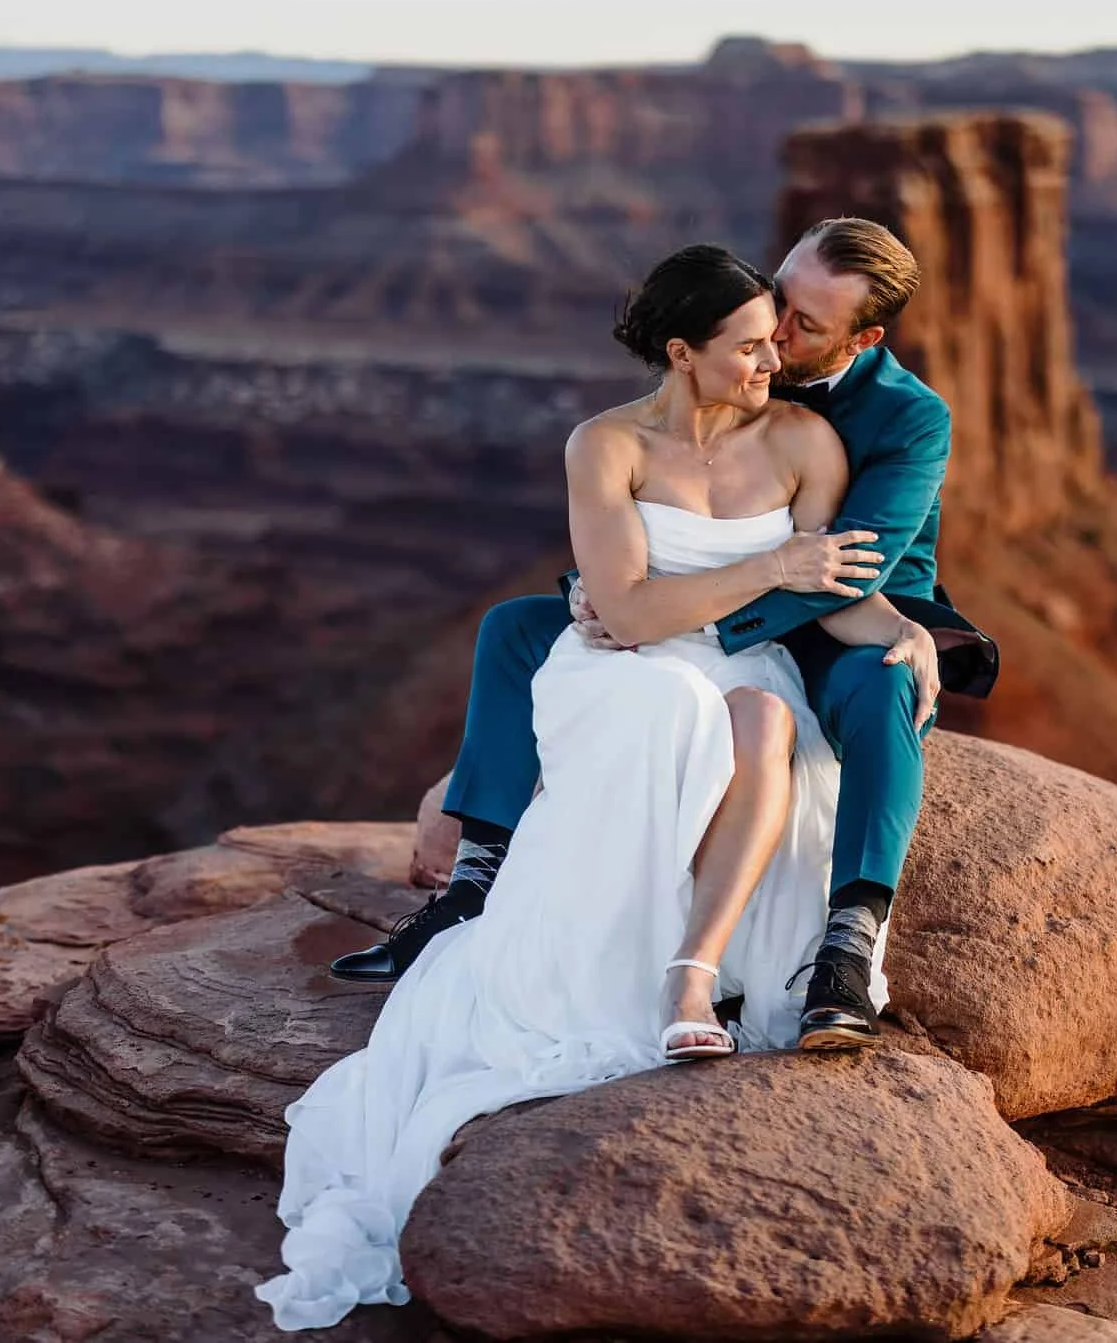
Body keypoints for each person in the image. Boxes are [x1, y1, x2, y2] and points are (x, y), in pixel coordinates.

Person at [259, 244, 942, 1329]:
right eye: (754, 343)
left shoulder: (809, 441)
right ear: (682, 352)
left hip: (740, 660)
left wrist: (901, 628)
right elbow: (621, 613)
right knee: (655, 699)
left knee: (763, 716)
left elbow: (834, 587)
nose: (775, 360)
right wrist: (755, 572)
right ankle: (503, 885)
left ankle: (691, 974)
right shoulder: (606, 443)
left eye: (784, 337)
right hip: (621, 664)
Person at [331, 218, 998, 1051]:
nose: (777, 338)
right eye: (776, 304)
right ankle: (479, 875)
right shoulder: (729, 362)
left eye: (805, 328)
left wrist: (671, 620)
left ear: (863, 338)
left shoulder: (902, 419)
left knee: (889, 678)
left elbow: (846, 572)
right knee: (516, 629)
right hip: (697, 603)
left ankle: (850, 940)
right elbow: (644, 531)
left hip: (832, 618)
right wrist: (603, 601)